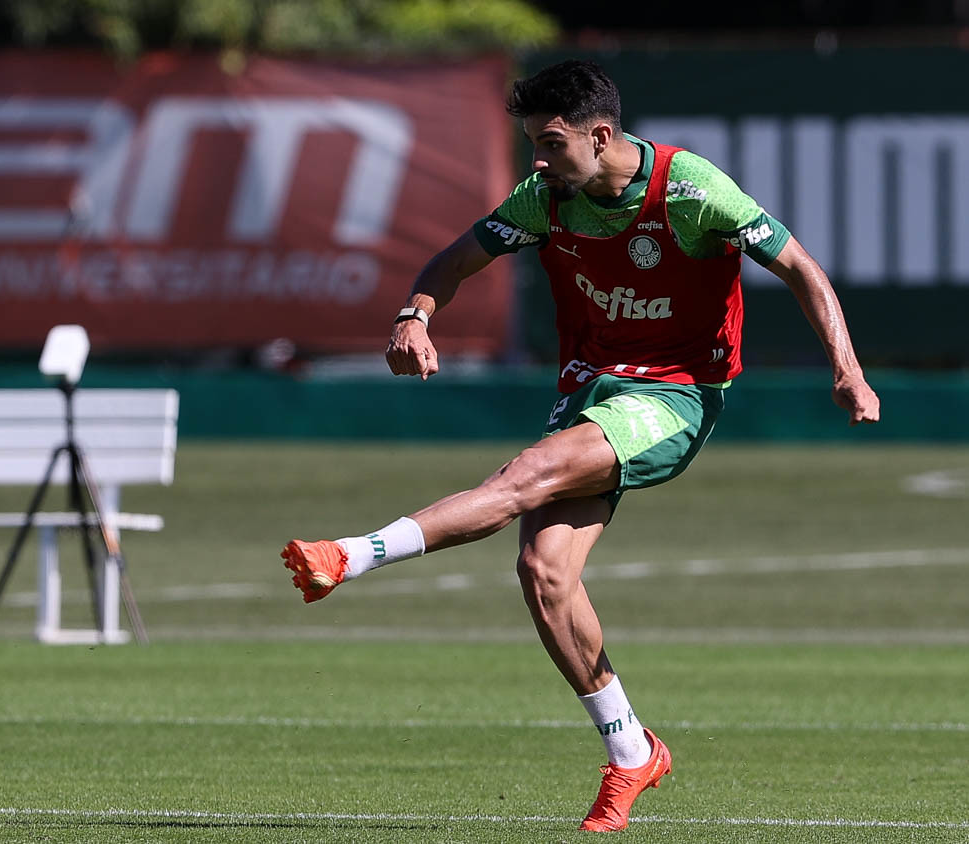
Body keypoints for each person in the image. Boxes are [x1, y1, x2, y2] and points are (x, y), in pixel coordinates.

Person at [280, 59, 880, 833]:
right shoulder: (547, 199)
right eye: (532, 142)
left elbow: (800, 266)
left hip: (675, 395)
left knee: (526, 476)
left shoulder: (692, 190)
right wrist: (414, 314)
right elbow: (454, 260)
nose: (538, 158)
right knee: (543, 572)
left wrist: (848, 370)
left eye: (550, 142)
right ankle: (632, 750)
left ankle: (349, 556)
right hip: (590, 390)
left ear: (601, 135)